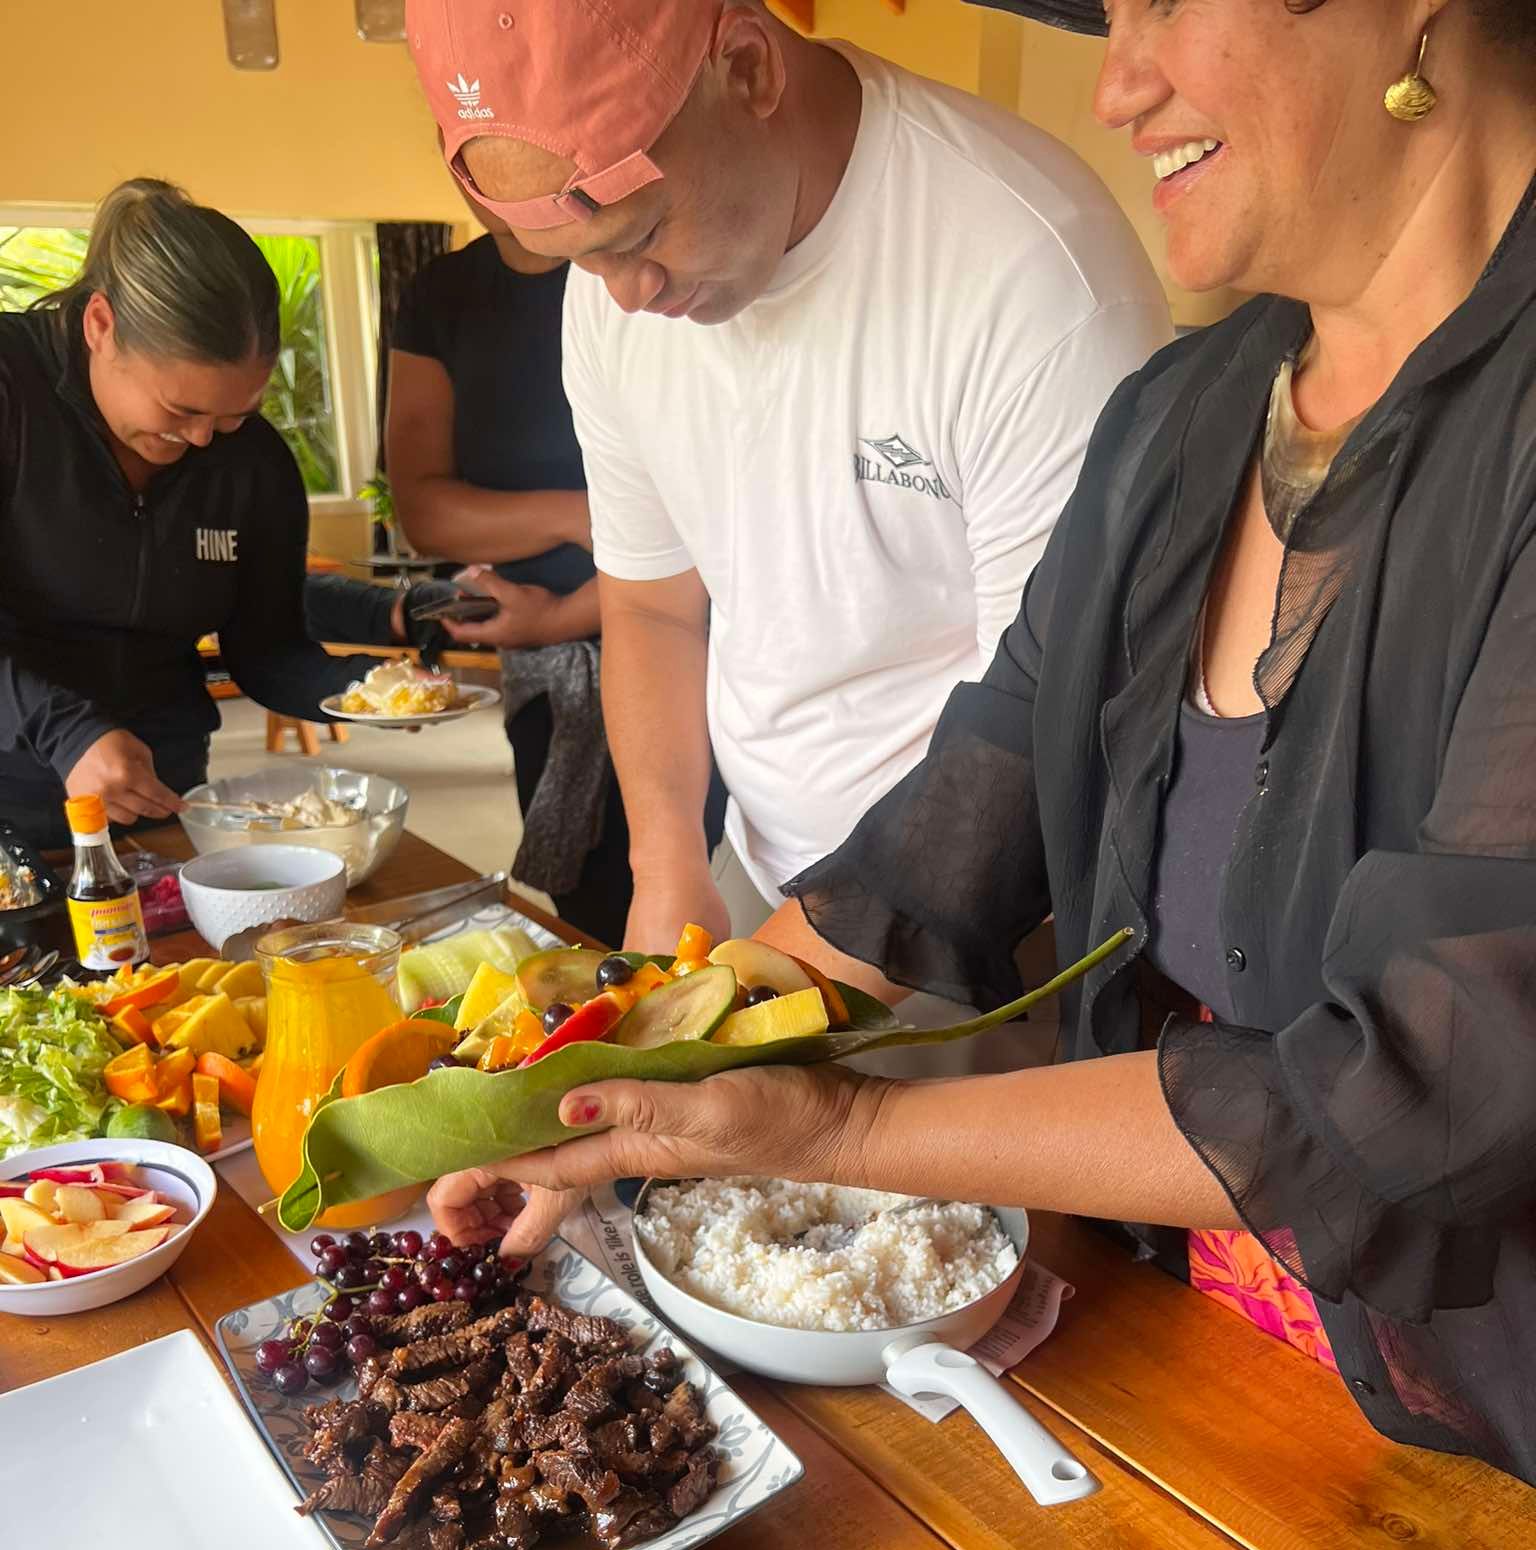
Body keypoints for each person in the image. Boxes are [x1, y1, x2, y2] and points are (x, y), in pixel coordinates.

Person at [430, 0, 1536, 1487]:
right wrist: (622, 1087)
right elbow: (965, 815)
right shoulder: (1188, 419)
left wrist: (835, 1132)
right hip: (1211, 1341)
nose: (1120, 81)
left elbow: (1424, 1086)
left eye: (1169, 6)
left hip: (1481, 1418)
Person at [404, 0, 1170, 957]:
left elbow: (1042, 733)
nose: (624, 299)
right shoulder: (612, 295)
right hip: (756, 866)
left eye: (640, 237)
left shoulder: (1030, 274)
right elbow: (653, 606)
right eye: (580, 262)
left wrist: (793, 981)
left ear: (751, 70)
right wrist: (667, 862)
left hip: (990, 910)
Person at [0, 178, 382, 846]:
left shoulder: (251, 462)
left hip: (163, 788)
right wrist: (66, 732)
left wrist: (371, 687)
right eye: (180, 410)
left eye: (236, 413)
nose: (205, 440)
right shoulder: (12, 393)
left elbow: (268, 650)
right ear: (100, 326)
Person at [384, 196, 650, 940]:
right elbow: (426, 513)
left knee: (662, 884)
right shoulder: (443, 294)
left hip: (673, 638)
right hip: (540, 665)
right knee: (585, 902)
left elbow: (699, 518)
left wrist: (567, 610)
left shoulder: (643, 269)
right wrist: (582, 517)